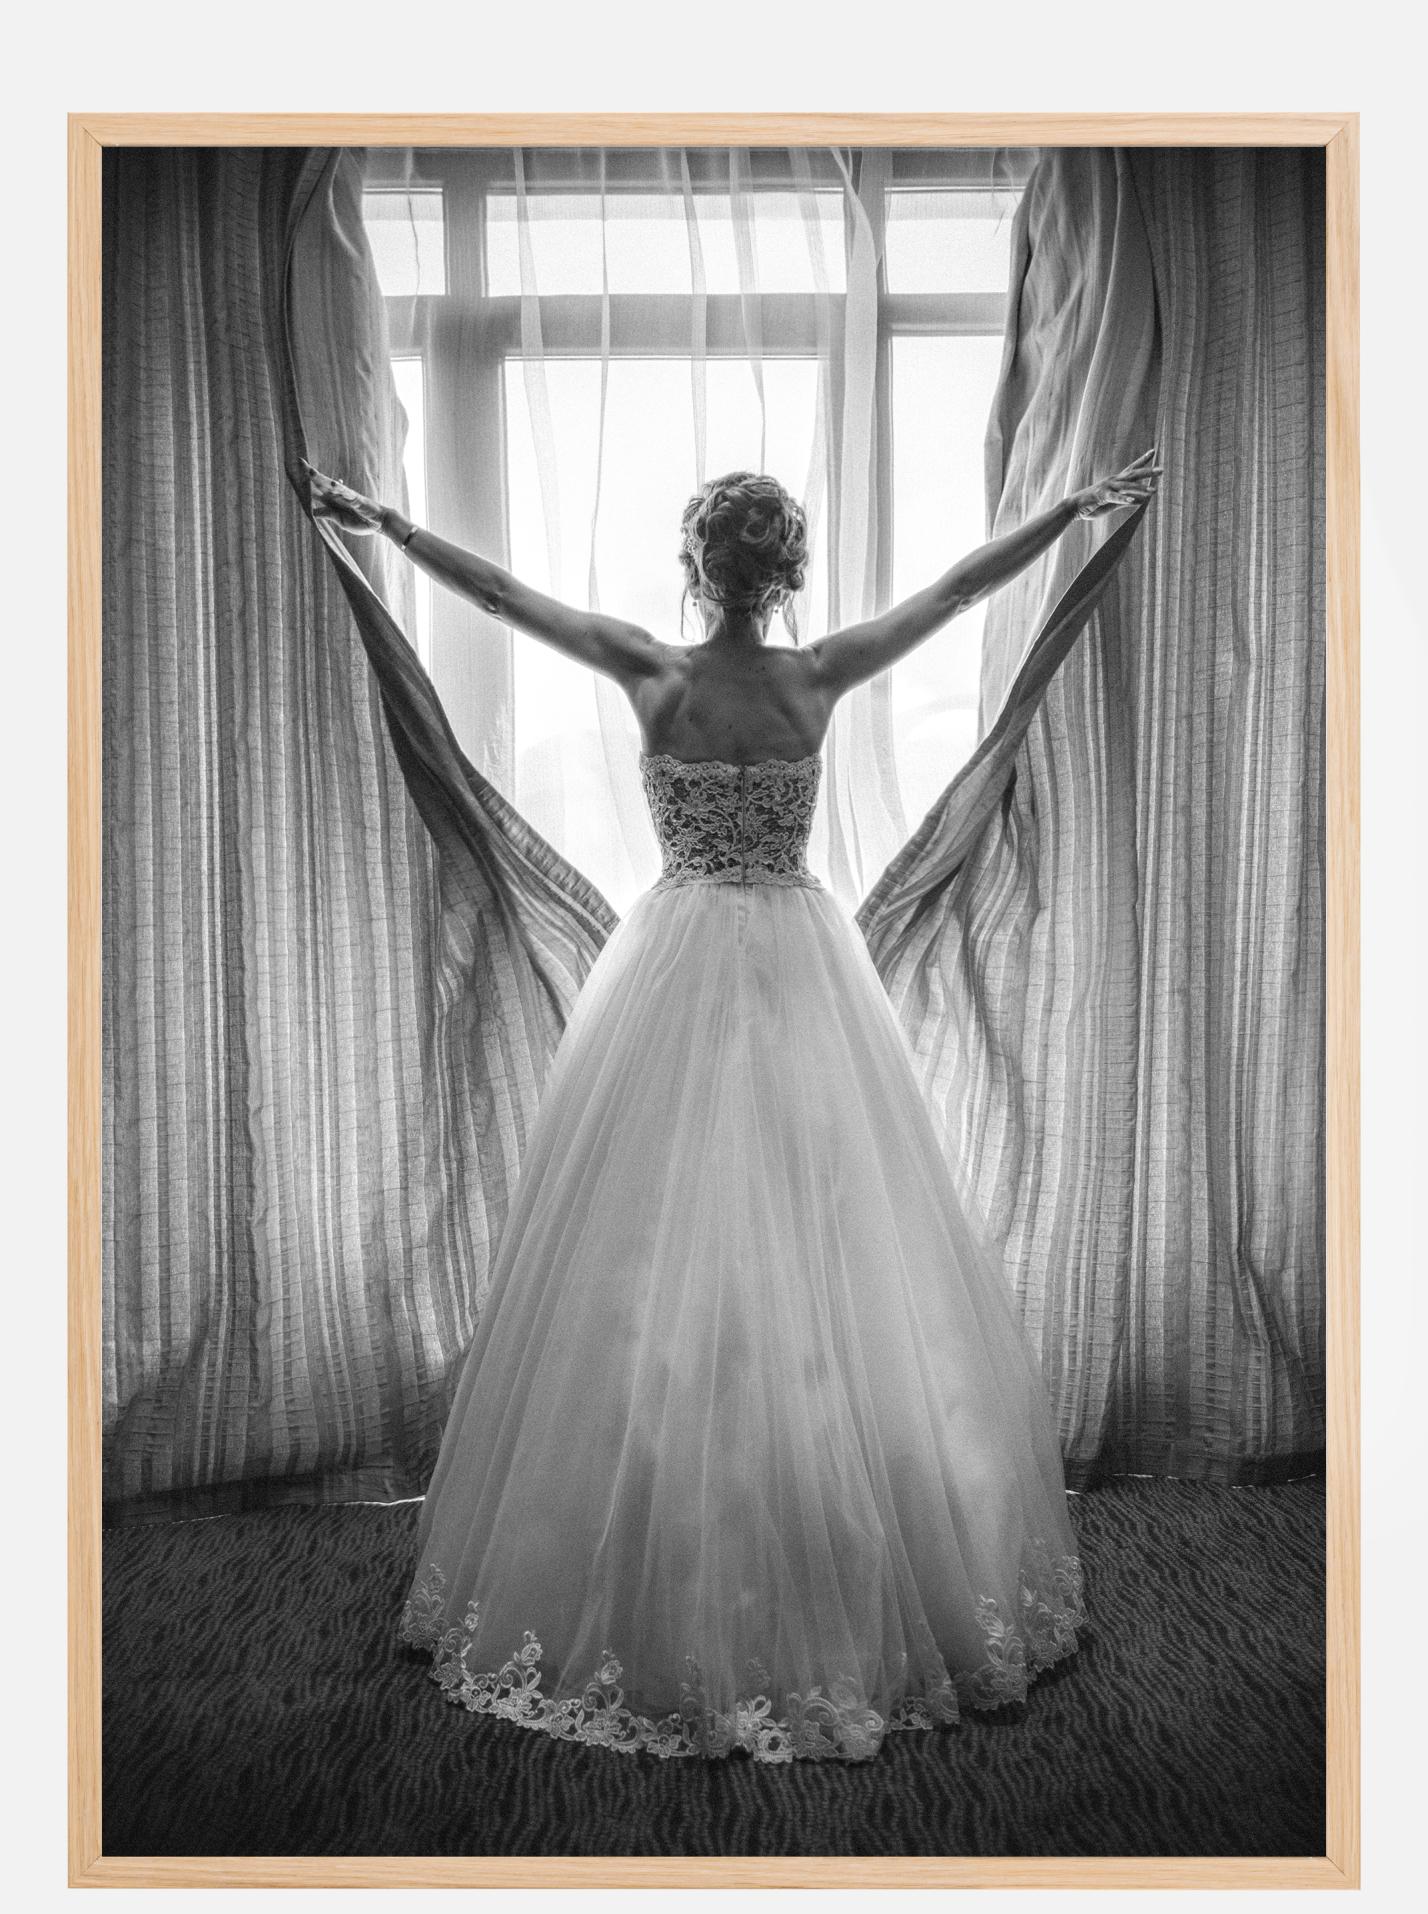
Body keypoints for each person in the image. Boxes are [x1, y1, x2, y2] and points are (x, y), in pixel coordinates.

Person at [307, 448, 1162, 1763]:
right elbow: (956, 590)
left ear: (696, 567)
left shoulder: (651, 670)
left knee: (658, 1243)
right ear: (788, 571)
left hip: (678, 954)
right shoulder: (817, 677)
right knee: (826, 1232)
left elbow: (504, 598)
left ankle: (674, 1512)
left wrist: (388, 526)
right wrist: (1067, 510)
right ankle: (817, 1506)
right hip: (803, 963)